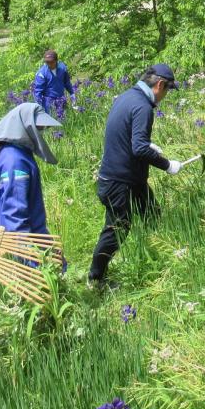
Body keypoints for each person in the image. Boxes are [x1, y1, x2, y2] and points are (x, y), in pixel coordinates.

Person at [87, 64, 184, 289]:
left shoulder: (126, 97)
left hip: (130, 178)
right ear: (160, 85)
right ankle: (95, 279)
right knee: (117, 229)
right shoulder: (143, 107)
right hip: (118, 181)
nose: (165, 96)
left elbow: (129, 137)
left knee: (151, 213)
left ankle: (160, 257)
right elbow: (139, 148)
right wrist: (167, 164)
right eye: (167, 90)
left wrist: (149, 145)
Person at [0, 103, 62, 235]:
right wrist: (29, 251)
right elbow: (15, 215)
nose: (41, 133)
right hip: (27, 243)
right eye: (39, 128)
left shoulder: (17, 154)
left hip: (36, 238)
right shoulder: (14, 160)